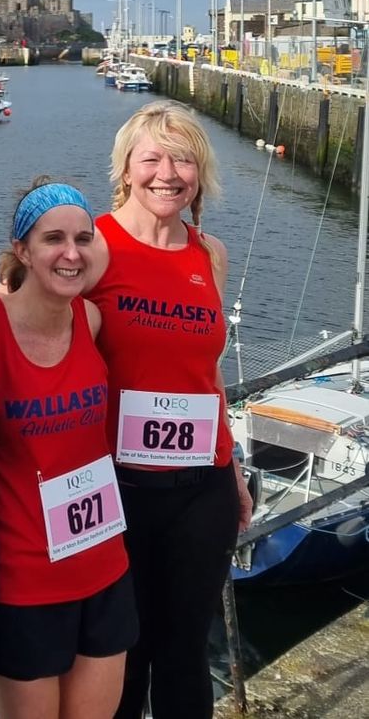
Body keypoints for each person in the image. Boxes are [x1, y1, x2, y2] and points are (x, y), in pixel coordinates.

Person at [84, 101, 253, 719]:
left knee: (186, 654)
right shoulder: (93, 245)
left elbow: (206, 375)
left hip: (200, 486)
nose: (167, 172)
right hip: (116, 487)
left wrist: (231, 466)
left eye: (183, 158)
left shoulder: (210, 254)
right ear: (126, 168)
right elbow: (29, 325)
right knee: (120, 656)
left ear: (200, 173)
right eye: (151, 157)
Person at [0, 180, 137, 719]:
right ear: (21, 249)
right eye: (52, 239)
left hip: (104, 566)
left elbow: (100, 252)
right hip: (25, 583)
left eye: (82, 238)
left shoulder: (89, 321)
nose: (71, 253)